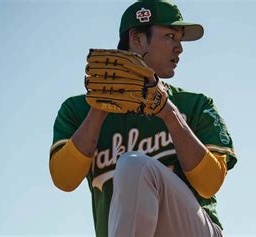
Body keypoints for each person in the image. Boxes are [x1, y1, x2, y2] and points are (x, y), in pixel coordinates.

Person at [49, 0, 237, 236]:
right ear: (137, 38)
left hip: (194, 229)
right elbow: (64, 179)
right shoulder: (78, 109)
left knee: (133, 164)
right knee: (133, 165)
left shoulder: (195, 104)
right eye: (170, 35)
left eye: (179, 39)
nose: (179, 47)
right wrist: (100, 107)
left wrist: (169, 113)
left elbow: (209, 185)